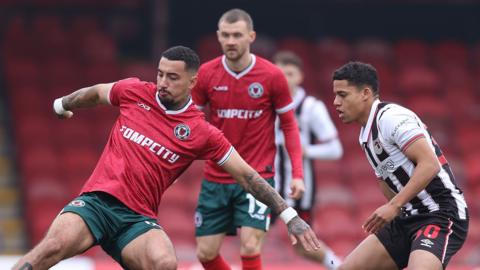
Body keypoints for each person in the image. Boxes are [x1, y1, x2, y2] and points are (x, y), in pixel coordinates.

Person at [12, 46, 321, 270]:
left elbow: (249, 177)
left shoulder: (202, 132)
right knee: (49, 248)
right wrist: (61, 104)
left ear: (192, 82)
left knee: (164, 263)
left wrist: (289, 216)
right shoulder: (134, 92)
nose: (162, 83)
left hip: (137, 219)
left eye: (172, 78)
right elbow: (95, 93)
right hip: (96, 204)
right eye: (160, 74)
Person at [192, 9, 305, 270]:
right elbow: (192, 124)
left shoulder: (272, 75)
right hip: (216, 178)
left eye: (237, 35)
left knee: (250, 247)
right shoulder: (207, 74)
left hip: (257, 176)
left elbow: (289, 125)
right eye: (226, 35)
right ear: (219, 37)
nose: (231, 41)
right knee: (205, 254)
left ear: (251, 36)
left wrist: (297, 173)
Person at [332, 61, 468, 270]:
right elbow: (385, 179)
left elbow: (430, 165)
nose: (336, 102)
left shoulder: (392, 117)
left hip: (440, 213)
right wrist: (395, 208)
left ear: (365, 93)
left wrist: (394, 205)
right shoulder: (365, 135)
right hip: (408, 217)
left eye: (343, 95)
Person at [272, 51, 343, 269]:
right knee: (253, 232)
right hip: (266, 182)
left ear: (300, 76)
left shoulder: (311, 107)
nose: (284, 79)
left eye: (290, 74)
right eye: (279, 74)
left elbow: (335, 149)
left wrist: (306, 151)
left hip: (300, 185)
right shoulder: (264, 104)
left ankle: (339, 265)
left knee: (303, 244)